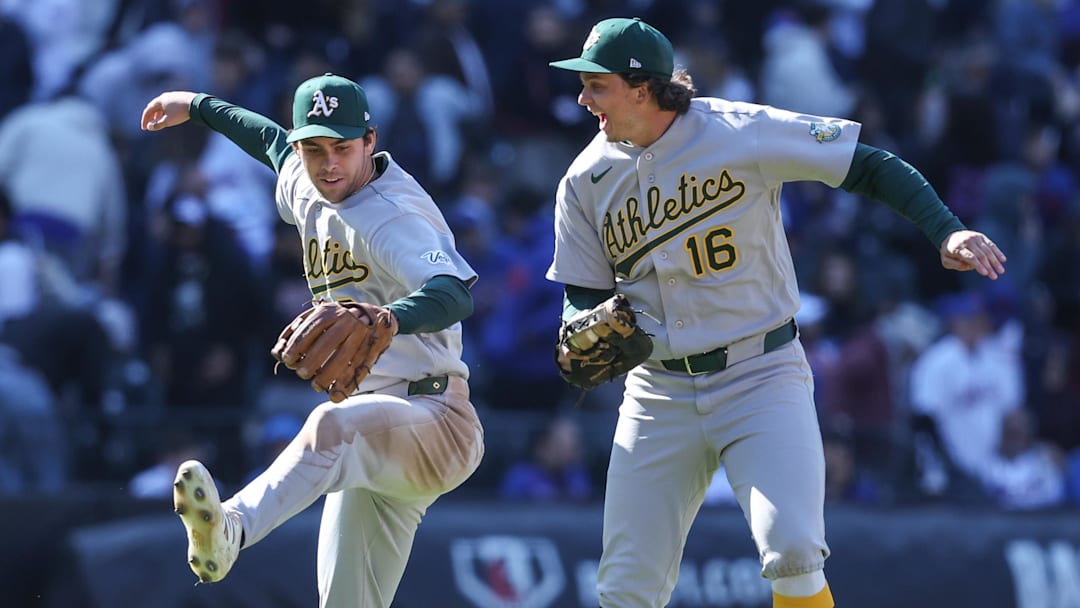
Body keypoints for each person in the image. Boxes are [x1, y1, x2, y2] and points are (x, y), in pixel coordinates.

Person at [546, 18, 1008, 608]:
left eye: (596, 84)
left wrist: (946, 231)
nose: (583, 98)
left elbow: (866, 164)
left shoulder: (740, 131)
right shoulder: (584, 179)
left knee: (792, 551)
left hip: (759, 374)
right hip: (658, 390)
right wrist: (581, 324)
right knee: (625, 587)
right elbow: (583, 291)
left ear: (642, 88)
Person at [139, 72, 484, 607]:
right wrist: (198, 105)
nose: (328, 164)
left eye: (343, 147)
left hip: (435, 420)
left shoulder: (392, 214)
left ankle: (231, 528)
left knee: (329, 426)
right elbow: (271, 143)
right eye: (314, 148)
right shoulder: (307, 179)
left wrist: (390, 319)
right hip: (374, 431)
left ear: (370, 141)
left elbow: (456, 292)